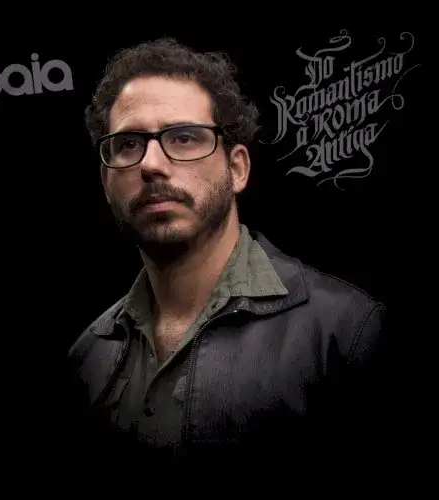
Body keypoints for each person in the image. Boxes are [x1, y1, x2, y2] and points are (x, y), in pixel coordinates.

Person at [65, 37, 390, 479]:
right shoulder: (87, 357)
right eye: (128, 144)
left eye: (183, 137)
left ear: (236, 168)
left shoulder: (345, 334)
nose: (151, 164)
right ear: (107, 181)